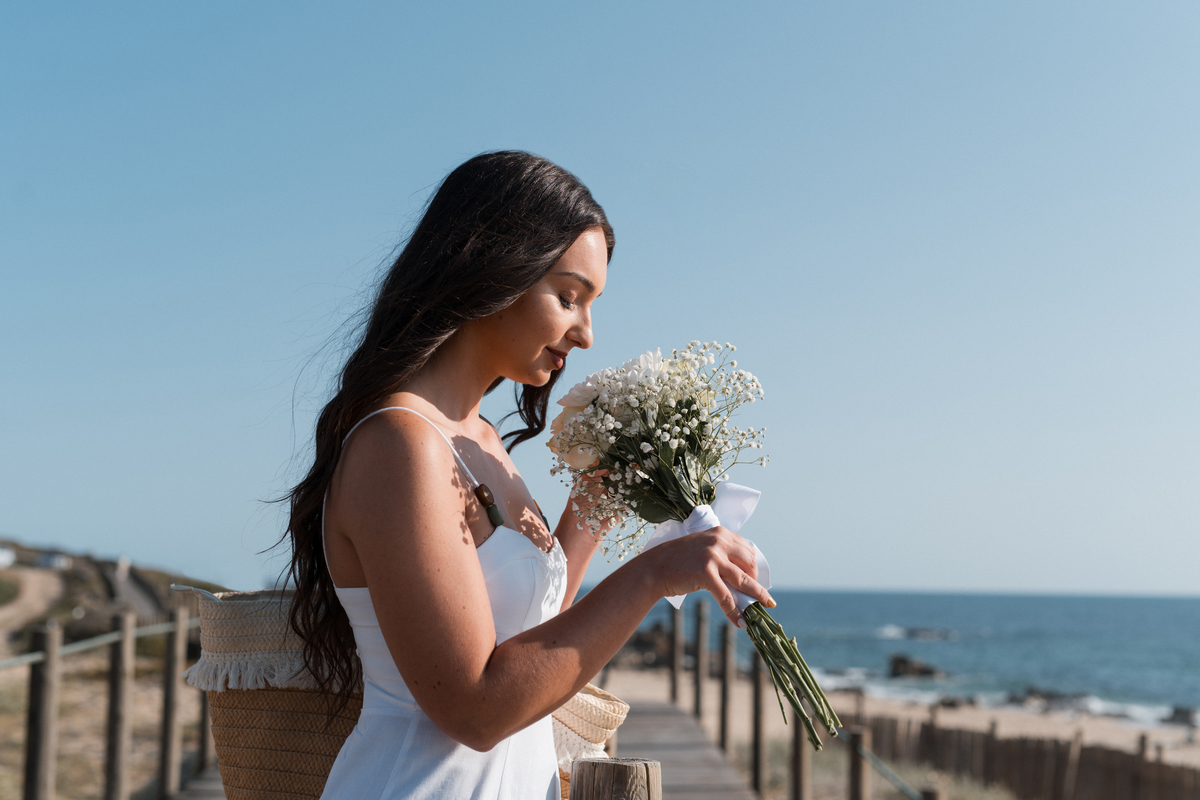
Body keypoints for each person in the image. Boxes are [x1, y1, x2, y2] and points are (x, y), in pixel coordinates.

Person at [283, 151, 774, 800]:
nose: (587, 334)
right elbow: (476, 708)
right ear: (493, 269)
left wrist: (598, 500)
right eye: (569, 297)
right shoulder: (398, 445)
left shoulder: (481, 441)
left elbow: (532, 631)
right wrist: (654, 573)